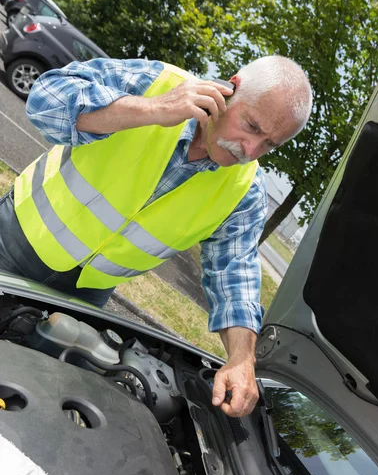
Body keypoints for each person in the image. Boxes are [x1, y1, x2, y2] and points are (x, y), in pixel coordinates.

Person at [0, 56, 312, 418]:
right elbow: (45, 98)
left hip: (85, 296)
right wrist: (151, 109)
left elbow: (235, 276)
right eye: (252, 126)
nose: (251, 150)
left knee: (24, 392)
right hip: (14, 240)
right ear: (231, 88)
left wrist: (241, 359)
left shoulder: (246, 192)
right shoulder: (156, 83)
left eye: (270, 145)